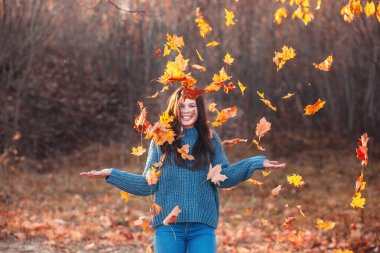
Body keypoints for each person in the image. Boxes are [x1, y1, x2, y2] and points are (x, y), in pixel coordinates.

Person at [80, 87, 286, 253]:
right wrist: (111, 174)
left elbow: (224, 178)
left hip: (202, 226)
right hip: (168, 228)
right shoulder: (161, 140)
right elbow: (147, 184)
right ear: (174, 109)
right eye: (182, 106)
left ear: (199, 109)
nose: (187, 110)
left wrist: (254, 163)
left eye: (191, 105)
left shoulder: (210, 139)